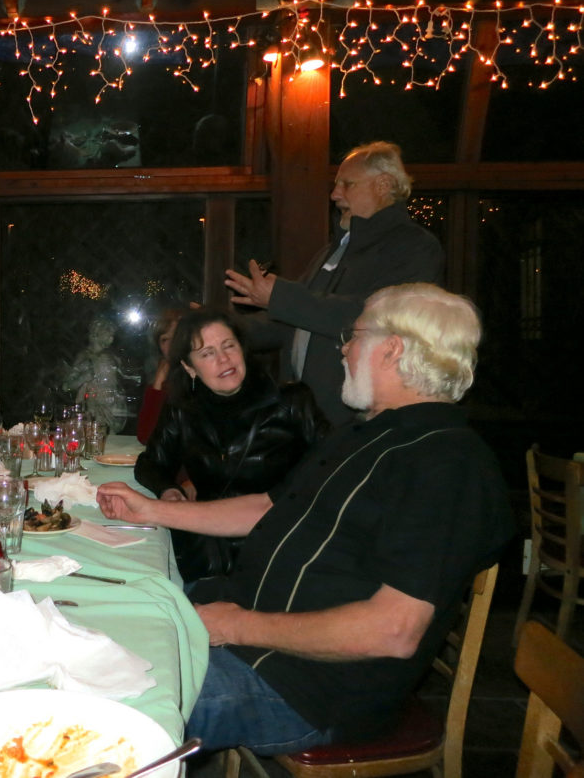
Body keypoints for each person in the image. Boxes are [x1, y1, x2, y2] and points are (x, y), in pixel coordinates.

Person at [97, 283, 514, 753]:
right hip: (243, 625)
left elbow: (393, 630)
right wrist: (153, 510)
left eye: (354, 336)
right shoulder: (361, 435)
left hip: (302, 688)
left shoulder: (446, 463)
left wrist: (234, 625)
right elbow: (267, 508)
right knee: (99, 614)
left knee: (99, 712)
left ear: (392, 349)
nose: (343, 350)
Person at [225, 141, 444, 426]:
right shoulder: (331, 252)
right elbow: (290, 324)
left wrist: (281, 297)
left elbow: (372, 318)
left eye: (347, 184)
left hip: (360, 420)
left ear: (383, 185)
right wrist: (219, 330)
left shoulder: (415, 249)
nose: (334, 194)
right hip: (305, 417)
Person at [135, 308, 326, 585]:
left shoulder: (292, 401)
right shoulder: (183, 409)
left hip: (279, 553)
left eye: (229, 346)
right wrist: (169, 490)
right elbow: (151, 462)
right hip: (207, 555)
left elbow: (332, 470)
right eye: (207, 353)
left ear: (243, 349)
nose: (223, 359)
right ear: (189, 368)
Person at [136, 308, 182, 444]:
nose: (170, 345)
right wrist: (159, 379)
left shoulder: (203, 377)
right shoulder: (165, 380)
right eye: (164, 340)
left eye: (175, 338)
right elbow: (145, 436)